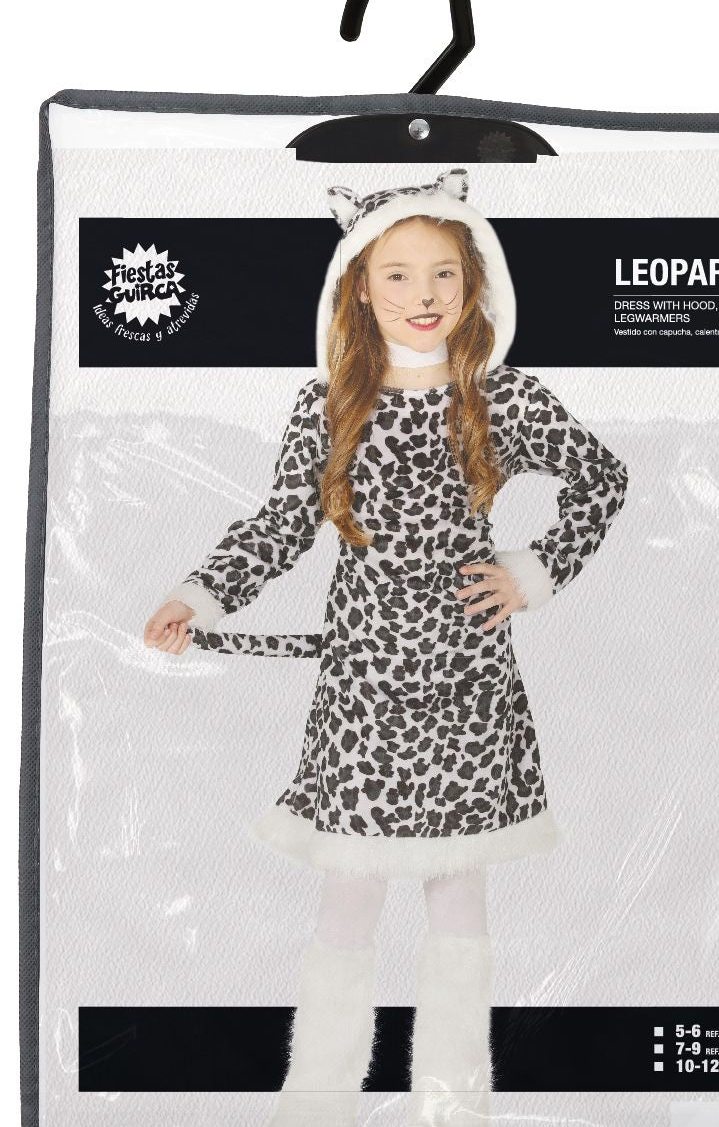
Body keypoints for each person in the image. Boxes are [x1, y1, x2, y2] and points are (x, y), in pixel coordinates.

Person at [143, 169, 629, 1127]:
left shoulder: (499, 397)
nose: (423, 294)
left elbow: (601, 478)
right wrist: (197, 594)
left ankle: (454, 1100)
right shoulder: (331, 402)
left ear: (474, 281)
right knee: (349, 894)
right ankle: (319, 1099)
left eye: (443, 272)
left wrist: (533, 571)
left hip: (466, 684)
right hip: (363, 689)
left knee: (458, 892)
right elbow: (282, 524)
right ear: (359, 286)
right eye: (397, 274)